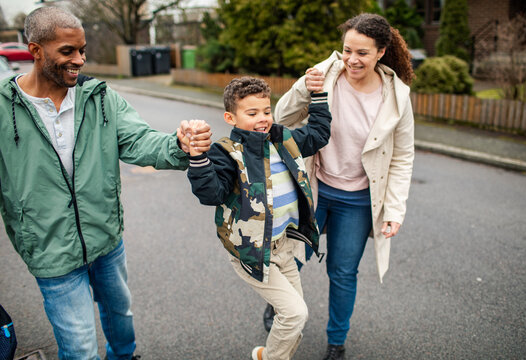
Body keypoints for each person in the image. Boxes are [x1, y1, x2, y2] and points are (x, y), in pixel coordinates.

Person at [0, 7, 211, 360]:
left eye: (82, 50)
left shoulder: (99, 97)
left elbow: (141, 140)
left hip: (106, 238)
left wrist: (179, 144)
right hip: (51, 252)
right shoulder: (4, 108)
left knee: (121, 320)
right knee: (80, 349)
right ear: (35, 50)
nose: (79, 60)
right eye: (67, 51)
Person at [273, 13, 415, 360]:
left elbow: (402, 156)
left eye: (363, 53)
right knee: (292, 259)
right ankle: (283, 310)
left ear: (381, 52)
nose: (353, 59)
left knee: (343, 273)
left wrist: (394, 210)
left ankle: (336, 342)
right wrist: (303, 88)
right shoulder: (325, 75)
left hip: (357, 201)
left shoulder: (396, 95)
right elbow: (281, 118)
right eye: (348, 50)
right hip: (314, 189)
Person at [181, 76, 331, 360]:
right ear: (231, 117)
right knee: (295, 313)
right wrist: (198, 158)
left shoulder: (284, 139)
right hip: (253, 252)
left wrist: (319, 96)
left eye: (266, 111)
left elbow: (318, 134)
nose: (262, 119)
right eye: (252, 113)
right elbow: (211, 194)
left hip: (285, 247)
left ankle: (266, 355)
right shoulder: (227, 153)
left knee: (296, 317)